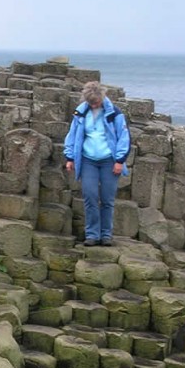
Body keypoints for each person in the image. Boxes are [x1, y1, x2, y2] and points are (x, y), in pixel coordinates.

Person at [64, 81, 131, 246]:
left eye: (96, 101)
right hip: (88, 160)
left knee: (107, 199)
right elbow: (72, 135)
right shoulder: (80, 112)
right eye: (91, 102)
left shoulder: (114, 113)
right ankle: (92, 234)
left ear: (103, 97)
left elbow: (124, 138)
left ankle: (106, 234)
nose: (94, 104)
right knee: (90, 197)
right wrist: (70, 157)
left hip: (109, 161)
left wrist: (120, 161)